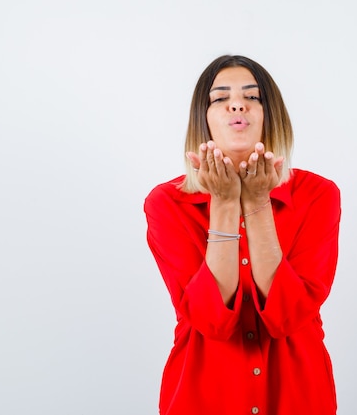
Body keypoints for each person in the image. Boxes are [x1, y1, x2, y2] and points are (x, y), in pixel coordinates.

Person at [144, 55, 341, 415]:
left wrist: (256, 202)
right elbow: (211, 321)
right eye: (220, 98)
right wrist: (223, 201)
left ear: (272, 116)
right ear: (202, 121)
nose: (237, 103)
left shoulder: (319, 195)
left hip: (298, 395)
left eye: (252, 96)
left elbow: (287, 317)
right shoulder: (166, 204)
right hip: (202, 396)